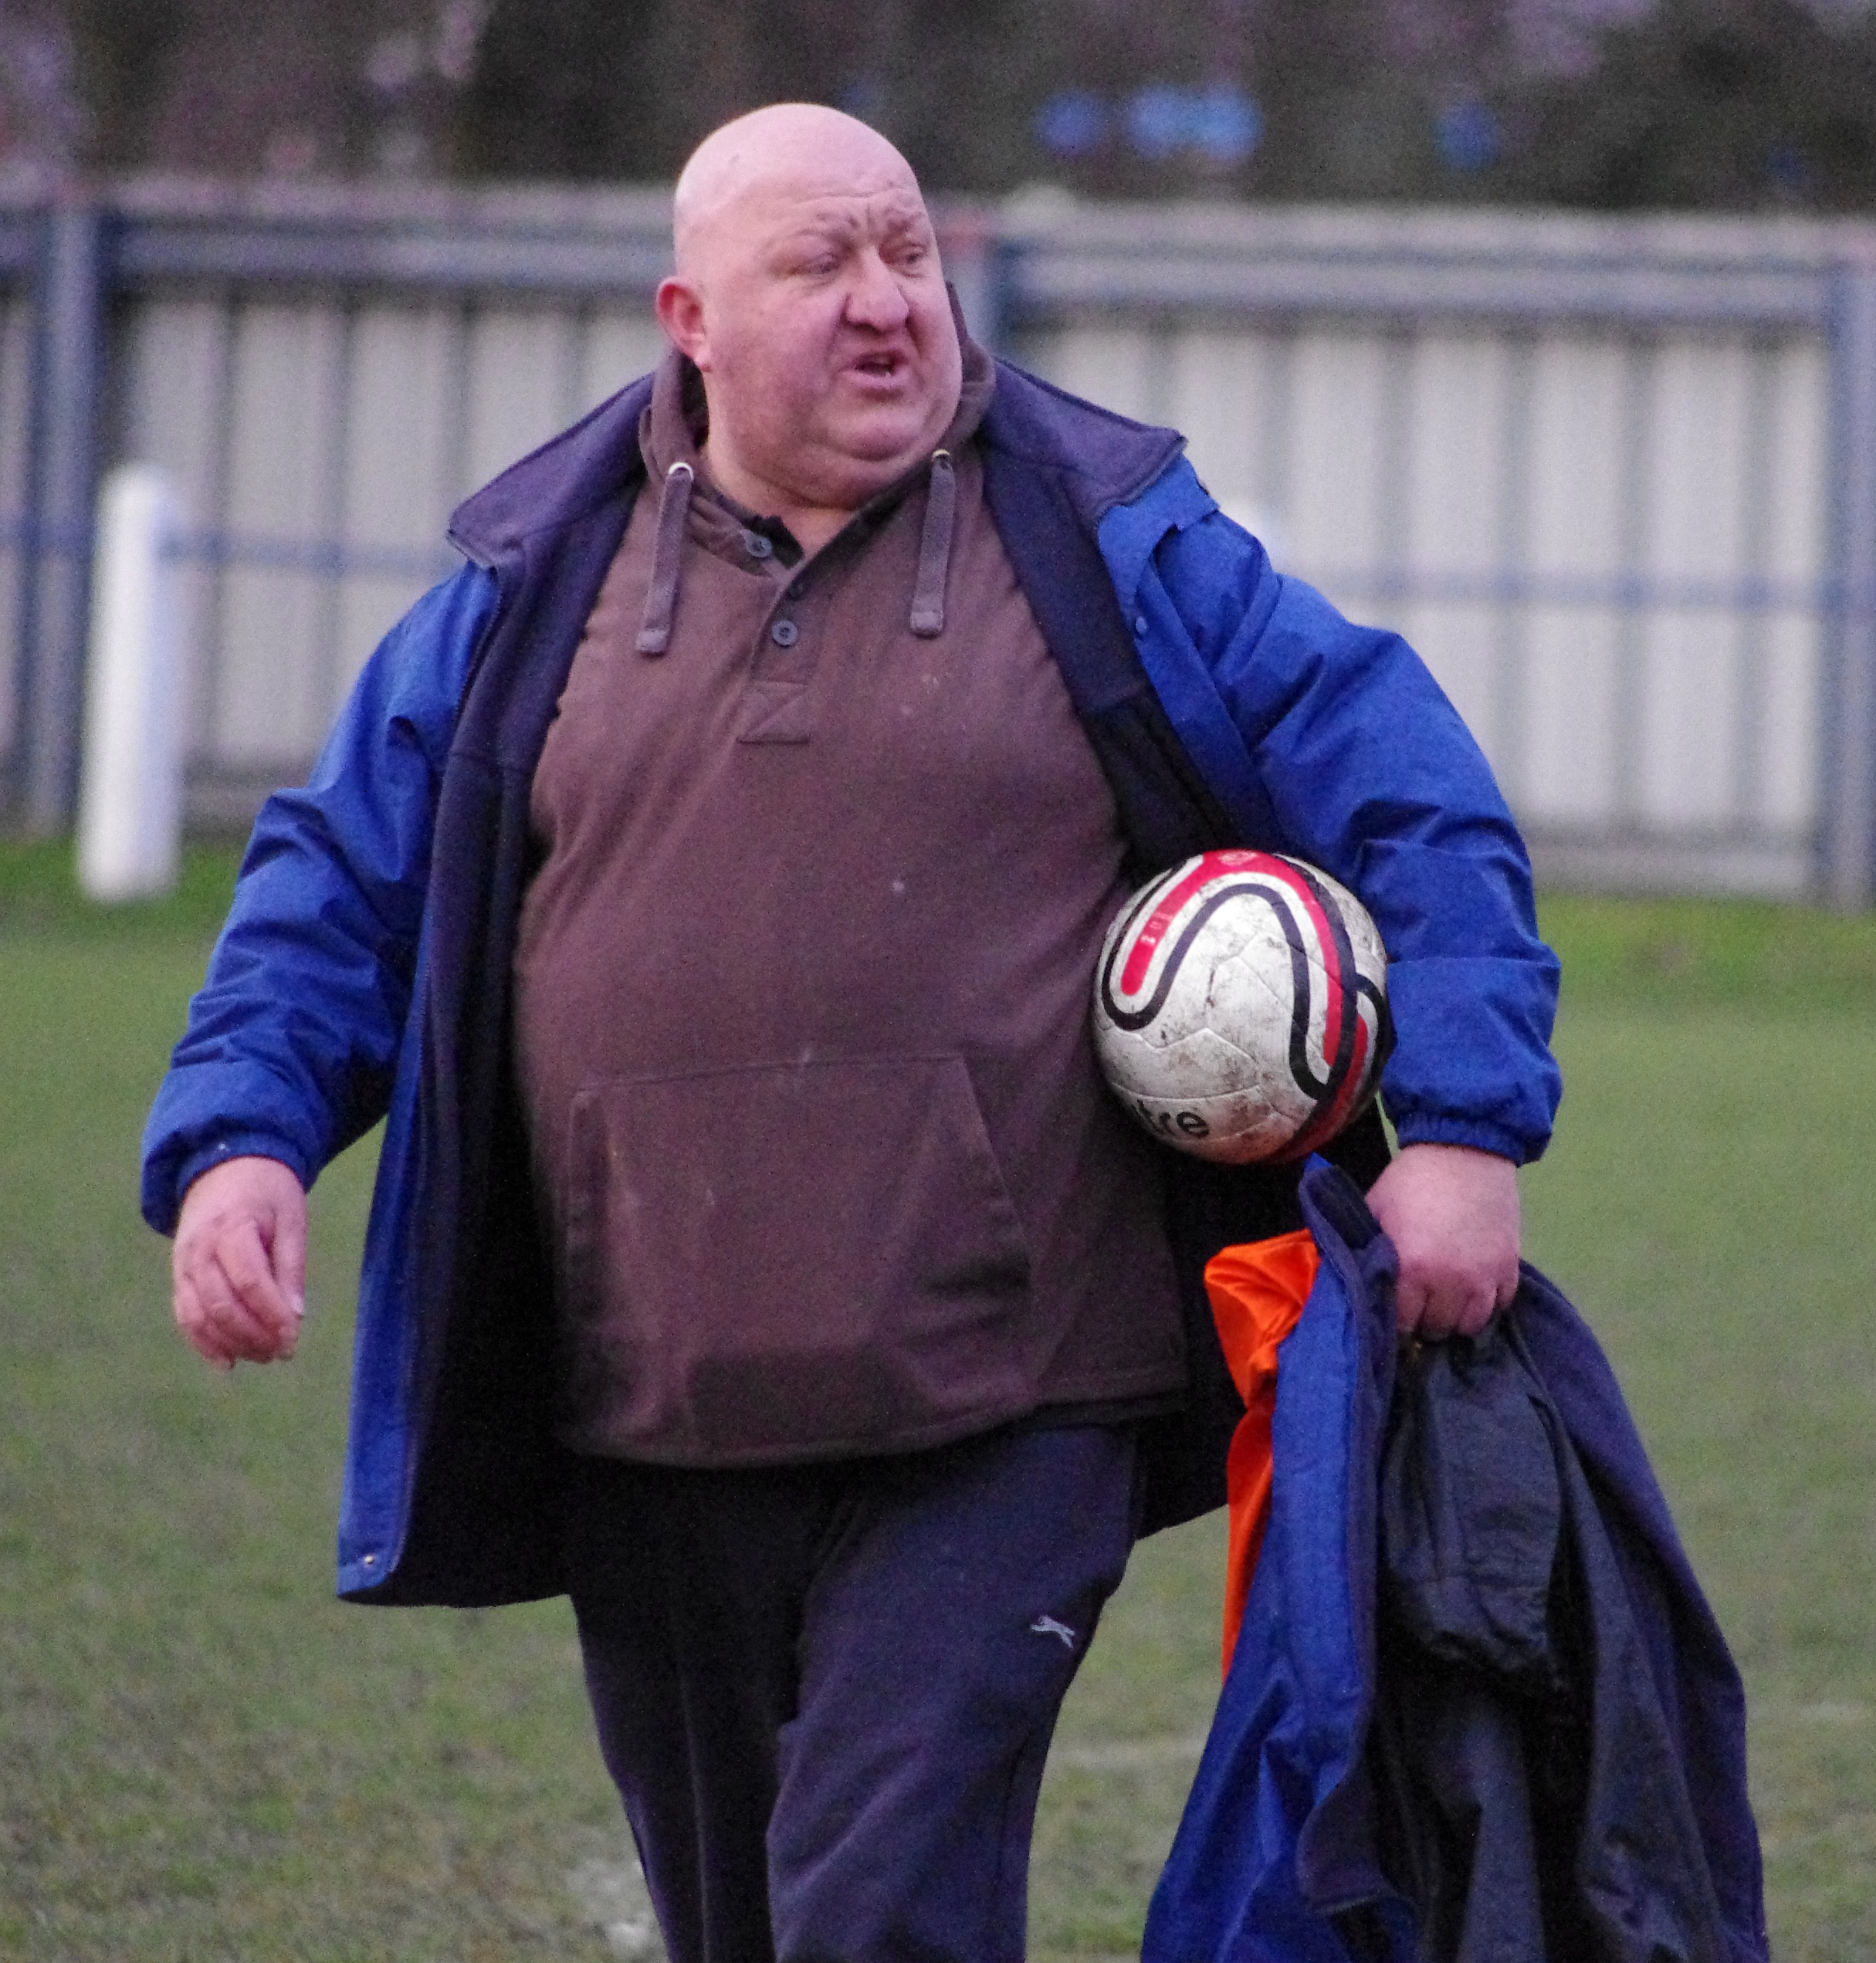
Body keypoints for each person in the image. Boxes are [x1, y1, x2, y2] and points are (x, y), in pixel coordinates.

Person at [143, 103, 1560, 1963]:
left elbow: (1412, 792)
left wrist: (1459, 1125)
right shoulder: (528, 579)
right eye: (821, 264)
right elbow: (338, 877)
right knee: (746, 1930)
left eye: (909, 250)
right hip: (644, 1406)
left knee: (877, 1915)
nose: (889, 301)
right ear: (691, 319)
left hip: (1008, 1402)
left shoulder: (1108, 534)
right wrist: (243, 1134)